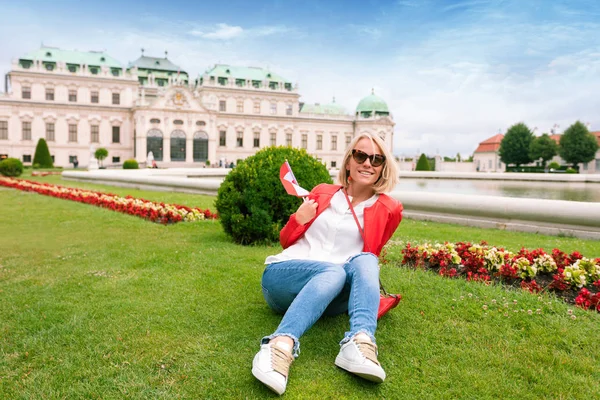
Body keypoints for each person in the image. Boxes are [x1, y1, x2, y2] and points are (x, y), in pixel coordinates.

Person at [252, 133, 402, 395]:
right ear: (348, 162)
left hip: (332, 297)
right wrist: (298, 219)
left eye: (376, 159)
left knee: (367, 259)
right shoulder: (323, 193)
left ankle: (360, 342)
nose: (368, 163)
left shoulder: (389, 208)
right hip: (286, 280)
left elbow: (369, 254)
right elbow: (287, 241)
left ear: (383, 168)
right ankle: (279, 345)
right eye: (360, 155)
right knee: (332, 271)